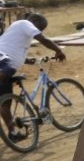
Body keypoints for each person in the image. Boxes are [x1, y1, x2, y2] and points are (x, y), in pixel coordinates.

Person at [0, 13, 66, 141]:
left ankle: (13, 134)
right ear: (35, 21)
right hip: (3, 60)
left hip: (6, 67)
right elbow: (43, 39)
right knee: (7, 67)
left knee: (5, 104)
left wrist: (30, 60)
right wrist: (58, 50)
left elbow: (15, 51)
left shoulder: (21, 36)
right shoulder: (24, 23)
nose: (40, 30)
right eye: (41, 27)